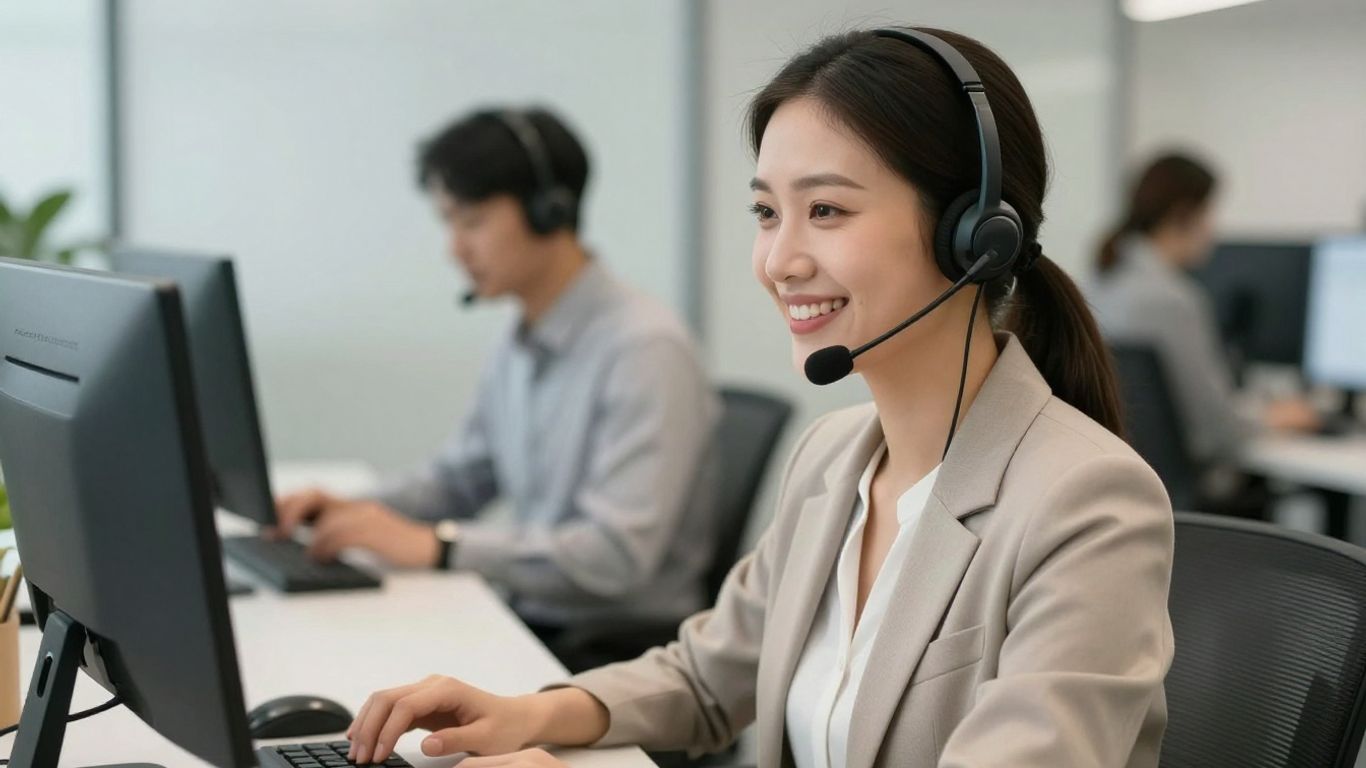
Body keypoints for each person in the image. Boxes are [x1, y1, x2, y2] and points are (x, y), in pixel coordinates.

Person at [344, 29, 1175, 768]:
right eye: (765, 212)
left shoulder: (1087, 502)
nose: (779, 259)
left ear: (974, 235)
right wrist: (528, 714)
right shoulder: (833, 458)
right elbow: (708, 678)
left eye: (825, 210)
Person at [272, 107, 721, 648]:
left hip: (610, 651)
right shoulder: (523, 334)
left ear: (548, 211)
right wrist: (353, 510)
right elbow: (460, 479)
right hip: (533, 620)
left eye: (472, 221)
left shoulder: (645, 348)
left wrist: (440, 547)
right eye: (448, 223)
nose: (454, 248)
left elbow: (615, 558)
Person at [1088, 153, 1320, 504]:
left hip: (1124, 488)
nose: (1214, 228)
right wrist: (1275, 417)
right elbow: (1218, 432)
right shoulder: (1174, 300)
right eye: (1210, 213)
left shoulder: (1100, 283)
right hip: (1190, 497)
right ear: (1184, 213)